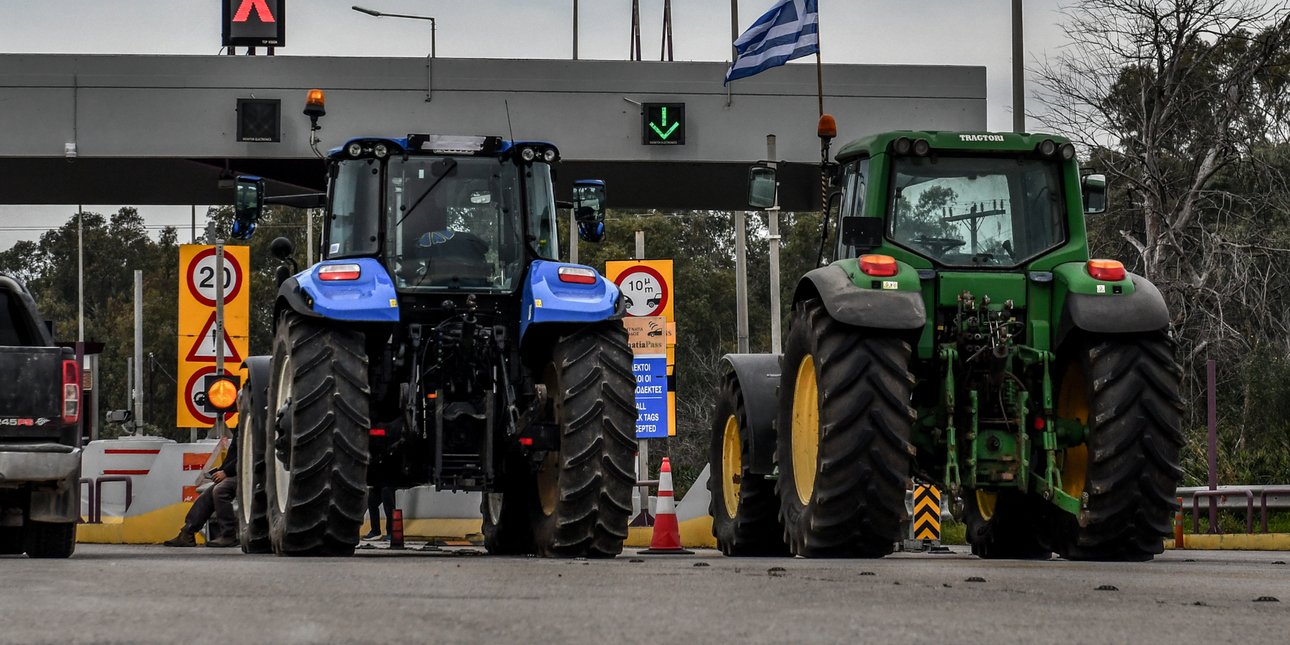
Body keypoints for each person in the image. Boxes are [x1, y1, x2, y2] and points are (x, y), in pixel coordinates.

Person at [164, 431, 238, 548]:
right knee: (207, 495)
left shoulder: (256, 424)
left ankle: (228, 534)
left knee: (220, 491)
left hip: (246, 473)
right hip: (236, 472)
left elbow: (249, 454)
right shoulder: (242, 425)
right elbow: (234, 454)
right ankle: (187, 532)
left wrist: (226, 472)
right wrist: (221, 470)